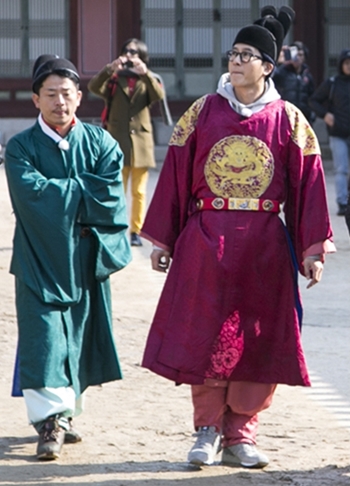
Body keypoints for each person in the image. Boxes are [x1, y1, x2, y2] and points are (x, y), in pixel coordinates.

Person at [140, 5, 336, 469]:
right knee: (204, 334)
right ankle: (206, 430)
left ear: (268, 66)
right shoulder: (202, 111)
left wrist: (312, 250)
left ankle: (241, 434)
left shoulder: (289, 118)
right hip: (206, 240)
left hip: (266, 246)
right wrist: (163, 239)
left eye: (248, 55)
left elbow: (309, 184)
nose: (236, 60)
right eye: (234, 53)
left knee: (257, 337)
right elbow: (175, 173)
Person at [5, 55, 131, 460]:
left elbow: (111, 196)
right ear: (35, 100)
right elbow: (31, 197)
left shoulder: (101, 143)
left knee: (78, 338)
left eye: (67, 93)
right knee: (44, 338)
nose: (60, 102)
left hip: (86, 257)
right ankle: (50, 423)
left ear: (80, 97)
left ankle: (67, 413)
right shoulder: (21, 147)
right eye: (51, 94)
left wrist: (65, 190)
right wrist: (82, 192)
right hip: (40, 256)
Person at [88, 38, 166, 247]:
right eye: (127, 52)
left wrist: (146, 73)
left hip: (141, 141)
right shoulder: (115, 79)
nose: (130, 56)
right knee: (117, 188)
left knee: (139, 191)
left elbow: (158, 95)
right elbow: (94, 87)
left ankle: (136, 230)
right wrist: (110, 69)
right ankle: (116, 226)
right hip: (117, 139)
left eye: (135, 52)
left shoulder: (146, 80)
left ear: (142, 57)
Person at [309, 49, 350, 216]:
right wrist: (325, 115)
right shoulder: (332, 83)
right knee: (341, 169)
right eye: (347, 63)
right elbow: (314, 100)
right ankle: (342, 202)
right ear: (341, 65)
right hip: (337, 133)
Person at [273, 40, 315, 123]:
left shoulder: (307, 75)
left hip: (303, 118)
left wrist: (312, 114)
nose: (297, 58)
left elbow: (312, 96)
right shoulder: (281, 72)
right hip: (285, 117)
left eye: (300, 55)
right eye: (295, 54)